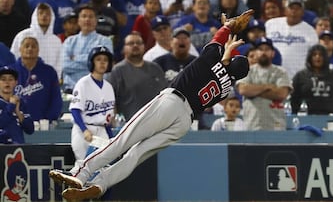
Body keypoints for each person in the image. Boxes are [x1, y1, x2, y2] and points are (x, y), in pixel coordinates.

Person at [48, 10, 253, 201]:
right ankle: (99, 186)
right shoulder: (226, 88)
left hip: (172, 102)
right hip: (184, 122)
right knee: (135, 156)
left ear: (228, 60)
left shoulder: (211, 60)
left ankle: (80, 173)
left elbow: (217, 43)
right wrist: (227, 51)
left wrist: (228, 27)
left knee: (122, 141)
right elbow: (224, 67)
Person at [69, 46, 115, 169]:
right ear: (92, 62)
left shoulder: (109, 87)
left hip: (101, 130)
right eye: (98, 59)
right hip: (83, 129)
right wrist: (84, 130)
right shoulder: (83, 83)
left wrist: (111, 138)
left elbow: (108, 120)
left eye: (105, 60)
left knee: (104, 168)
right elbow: (75, 110)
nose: (102, 62)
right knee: (82, 166)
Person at [107, 32, 168, 121]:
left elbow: (165, 95)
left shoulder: (155, 68)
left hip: (157, 122)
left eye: (139, 43)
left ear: (144, 47)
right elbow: (111, 101)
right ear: (124, 48)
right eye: (131, 43)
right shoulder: (118, 71)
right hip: (130, 124)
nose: (135, 45)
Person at [237, 37, 292, 131]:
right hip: (252, 125)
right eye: (260, 49)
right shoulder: (248, 70)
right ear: (255, 53)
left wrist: (254, 92)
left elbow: (281, 94)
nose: (263, 52)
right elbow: (243, 90)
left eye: (267, 49)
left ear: (273, 53)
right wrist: (267, 87)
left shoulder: (281, 72)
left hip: (276, 125)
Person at [62, 4, 113, 94]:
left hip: (96, 91)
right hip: (71, 91)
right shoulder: (69, 41)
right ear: (78, 21)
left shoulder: (105, 41)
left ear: (96, 20)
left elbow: (104, 67)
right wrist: (92, 61)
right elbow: (65, 66)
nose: (87, 19)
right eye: (84, 16)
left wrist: (76, 58)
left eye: (91, 16)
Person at [11, 35, 63, 124]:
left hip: (43, 123)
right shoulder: (10, 71)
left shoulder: (49, 72)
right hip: (15, 123)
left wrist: (49, 119)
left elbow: (56, 98)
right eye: (27, 46)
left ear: (38, 50)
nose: (30, 49)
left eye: (33, 46)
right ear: (20, 49)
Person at [265, 0, 318, 79]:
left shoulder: (310, 31)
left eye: (297, 9)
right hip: (270, 76)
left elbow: (314, 57)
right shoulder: (271, 24)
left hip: (298, 78)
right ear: (285, 10)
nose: (294, 11)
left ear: (303, 12)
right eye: (291, 8)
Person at [10, 3, 63, 82]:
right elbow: (14, 57)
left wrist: (54, 80)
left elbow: (59, 63)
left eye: (47, 14)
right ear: (35, 16)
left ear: (52, 17)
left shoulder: (56, 40)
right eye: (41, 13)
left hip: (48, 81)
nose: (44, 16)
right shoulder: (23, 35)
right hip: (23, 80)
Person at [291, 44, 333, 115]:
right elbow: (293, 98)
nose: (317, 57)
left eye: (321, 55)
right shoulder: (300, 76)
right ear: (309, 57)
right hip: (306, 116)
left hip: (331, 117)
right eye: (314, 55)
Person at [0, 66, 34, 144]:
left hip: (18, 149)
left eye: (10, 79)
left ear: (16, 82)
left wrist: (18, 112)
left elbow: (30, 130)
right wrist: (11, 105)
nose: (7, 82)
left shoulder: (21, 102)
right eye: (3, 79)